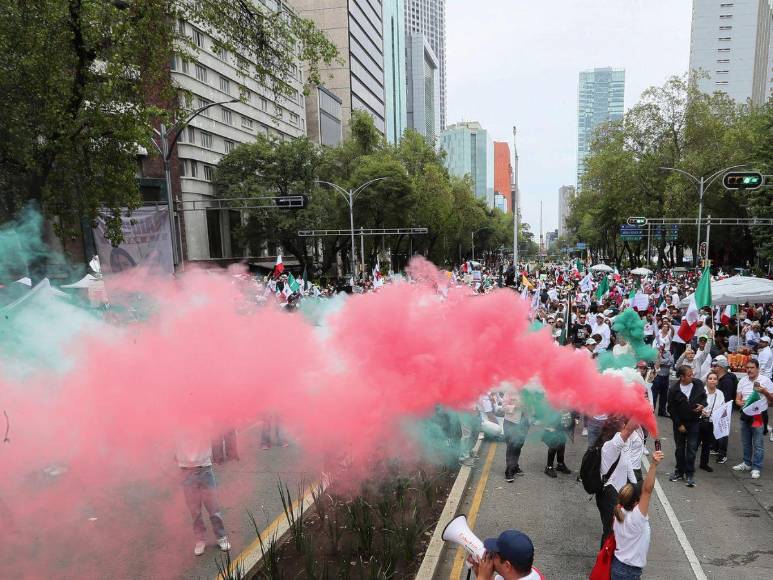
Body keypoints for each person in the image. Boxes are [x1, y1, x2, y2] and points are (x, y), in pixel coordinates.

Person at [175, 427, 231, 556]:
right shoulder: (175, 422)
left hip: (204, 468)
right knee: (195, 512)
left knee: (213, 508)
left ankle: (221, 537)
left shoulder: (203, 420)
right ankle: (200, 540)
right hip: (186, 471)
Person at [611, 449, 665, 580]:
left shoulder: (619, 512)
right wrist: (653, 465)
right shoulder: (636, 518)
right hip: (629, 572)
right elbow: (647, 490)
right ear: (635, 503)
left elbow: (645, 491)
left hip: (619, 566)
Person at [597, 419, 638, 547]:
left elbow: (628, 467)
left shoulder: (623, 445)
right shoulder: (611, 446)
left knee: (617, 531)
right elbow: (629, 429)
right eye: (624, 424)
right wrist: (639, 412)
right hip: (608, 495)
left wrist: (636, 491)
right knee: (610, 531)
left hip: (618, 494)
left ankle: (611, 557)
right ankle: (604, 558)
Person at [667, 366, 707, 487]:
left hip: (694, 422)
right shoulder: (674, 389)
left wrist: (702, 405)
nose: (692, 376)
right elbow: (671, 409)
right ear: (682, 377)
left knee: (692, 449)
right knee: (680, 449)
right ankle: (679, 471)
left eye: (692, 374)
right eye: (689, 375)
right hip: (680, 424)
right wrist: (679, 424)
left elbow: (704, 397)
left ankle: (689, 473)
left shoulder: (698, 384)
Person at [733, 359, 773, 479]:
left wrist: (765, 391)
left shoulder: (765, 380)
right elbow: (737, 399)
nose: (749, 370)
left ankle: (756, 467)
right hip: (745, 414)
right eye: (748, 368)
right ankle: (747, 463)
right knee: (746, 441)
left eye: (752, 368)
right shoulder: (743, 381)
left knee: (758, 442)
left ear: (758, 369)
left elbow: (772, 399)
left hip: (758, 415)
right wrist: (740, 403)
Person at [472, 529, 544, 580]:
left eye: (494, 555)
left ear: (507, 566)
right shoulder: (532, 572)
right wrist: (480, 573)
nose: (490, 557)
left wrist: (482, 578)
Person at [698, 371, 725, 473]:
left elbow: (722, 407)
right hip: (699, 420)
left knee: (707, 444)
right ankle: (688, 464)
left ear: (717, 381)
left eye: (715, 379)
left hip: (711, 422)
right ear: (706, 380)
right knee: (694, 444)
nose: (712, 381)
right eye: (710, 378)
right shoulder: (701, 391)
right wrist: (701, 411)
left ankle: (704, 464)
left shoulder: (720, 394)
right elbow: (694, 404)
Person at [712, 356, 736, 464]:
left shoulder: (727, 381)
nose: (714, 368)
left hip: (724, 409)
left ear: (721, 367)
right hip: (719, 408)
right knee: (716, 429)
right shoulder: (720, 378)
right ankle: (716, 448)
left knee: (723, 431)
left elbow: (726, 397)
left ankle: (722, 454)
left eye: (715, 366)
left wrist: (720, 408)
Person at [503, 389, 529, 481]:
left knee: (518, 446)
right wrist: (515, 406)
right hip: (511, 422)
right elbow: (503, 407)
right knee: (511, 447)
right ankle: (509, 470)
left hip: (524, 423)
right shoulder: (509, 391)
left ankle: (515, 465)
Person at [542, 409, 573, 478]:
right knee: (554, 444)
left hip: (563, 420)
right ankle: (549, 467)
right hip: (553, 420)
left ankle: (560, 464)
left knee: (562, 443)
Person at [651, 346, 673, 417]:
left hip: (666, 377)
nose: (662, 346)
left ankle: (662, 411)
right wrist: (666, 361)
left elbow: (672, 362)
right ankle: (651, 411)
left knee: (664, 395)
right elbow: (656, 362)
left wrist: (661, 362)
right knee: (654, 395)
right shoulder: (654, 352)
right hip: (657, 376)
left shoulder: (668, 352)